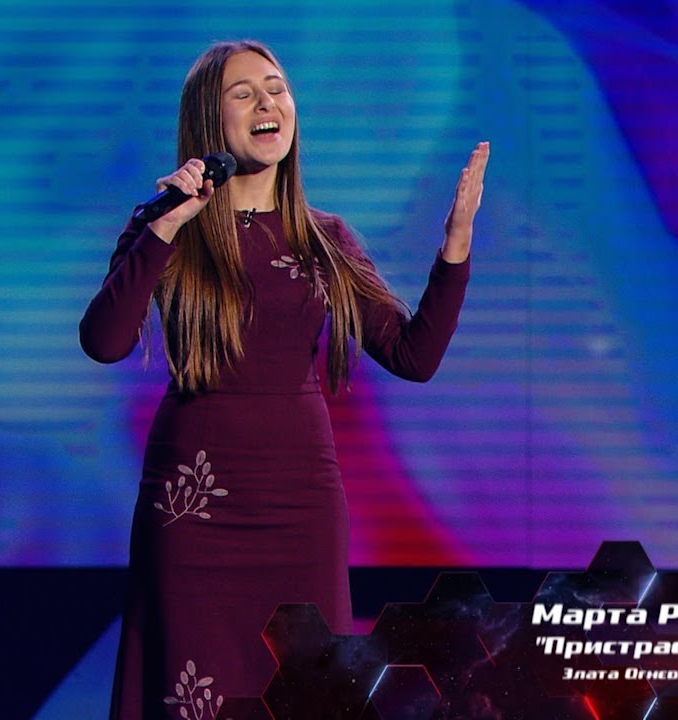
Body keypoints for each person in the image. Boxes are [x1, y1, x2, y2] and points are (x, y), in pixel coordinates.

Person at [80, 39, 488, 719]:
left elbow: (413, 357)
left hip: (301, 509)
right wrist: (167, 225)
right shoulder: (166, 227)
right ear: (209, 121)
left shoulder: (325, 238)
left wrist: (456, 245)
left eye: (277, 88)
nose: (267, 103)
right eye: (244, 94)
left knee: (304, 687)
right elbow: (103, 342)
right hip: (195, 510)